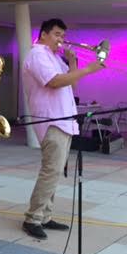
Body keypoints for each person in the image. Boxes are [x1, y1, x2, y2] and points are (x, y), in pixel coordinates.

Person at [21, 19, 104, 240]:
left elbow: (71, 84)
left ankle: (45, 216)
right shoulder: (37, 55)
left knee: (55, 171)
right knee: (51, 171)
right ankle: (32, 218)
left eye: (62, 34)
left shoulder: (54, 57)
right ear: (44, 34)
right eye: (57, 34)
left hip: (63, 120)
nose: (61, 39)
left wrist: (73, 62)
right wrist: (89, 69)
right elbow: (54, 82)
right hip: (51, 120)